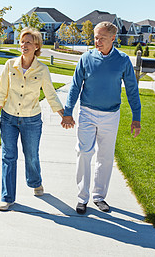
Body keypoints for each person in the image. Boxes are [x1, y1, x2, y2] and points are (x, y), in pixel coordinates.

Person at [61, 21, 142, 214]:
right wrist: (68, 111)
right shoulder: (86, 58)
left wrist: (136, 117)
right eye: (95, 37)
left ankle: (99, 196)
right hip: (87, 112)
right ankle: (82, 198)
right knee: (83, 152)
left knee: (105, 157)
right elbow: (75, 86)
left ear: (113, 39)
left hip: (111, 115)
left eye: (102, 38)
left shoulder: (122, 60)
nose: (97, 41)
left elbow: (132, 90)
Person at [0, 27, 64, 211]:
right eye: (22, 42)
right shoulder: (10, 65)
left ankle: (35, 182)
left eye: (28, 42)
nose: (24, 45)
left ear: (37, 46)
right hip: (8, 118)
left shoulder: (42, 69)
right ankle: (7, 197)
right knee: (9, 156)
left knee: (31, 155)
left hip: (31, 120)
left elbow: (50, 94)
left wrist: (63, 115)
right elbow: (1, 92)